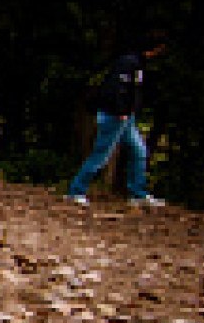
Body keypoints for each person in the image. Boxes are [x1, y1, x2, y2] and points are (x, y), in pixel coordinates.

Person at [65, 33, 167, 207]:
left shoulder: (137, 63)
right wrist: (120, 109)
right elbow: (116, 87)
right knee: (101, 154)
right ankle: (76, 190)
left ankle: (138, 193)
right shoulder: (129, 63)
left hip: (127, 117)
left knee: (139, 151)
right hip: (116, 115)